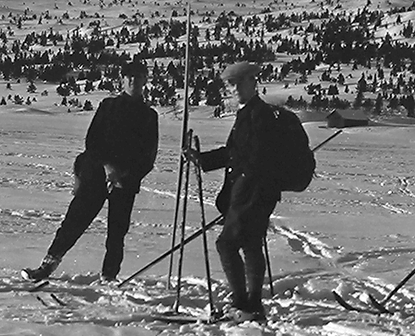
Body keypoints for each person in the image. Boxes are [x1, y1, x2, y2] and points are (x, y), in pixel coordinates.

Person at [23, 61, 158, 282]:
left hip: (125, 182)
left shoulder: (149, 116)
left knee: (116, 233)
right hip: (96, 174)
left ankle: (109, 276)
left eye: (138, 76)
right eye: (129, 76)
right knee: (73, 222)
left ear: (145, 80)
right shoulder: (108, 106)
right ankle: (47, 266)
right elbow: (92, 141)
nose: (133, 80)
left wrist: (123, 175)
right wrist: (106, 166)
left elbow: (148, 158)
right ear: (123, 79)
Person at [187, 61, 280, 322]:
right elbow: (234, 153)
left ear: (253, 82)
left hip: (252, 191)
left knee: (226, 244)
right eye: (232, 84)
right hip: (256, 191)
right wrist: (203, 159)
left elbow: (246, 156)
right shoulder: (249, 113)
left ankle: (244, 301)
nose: (236, 88)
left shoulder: (257, 115)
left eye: (241, 82)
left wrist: (209, 161)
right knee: (250, 244)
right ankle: (252, 304)